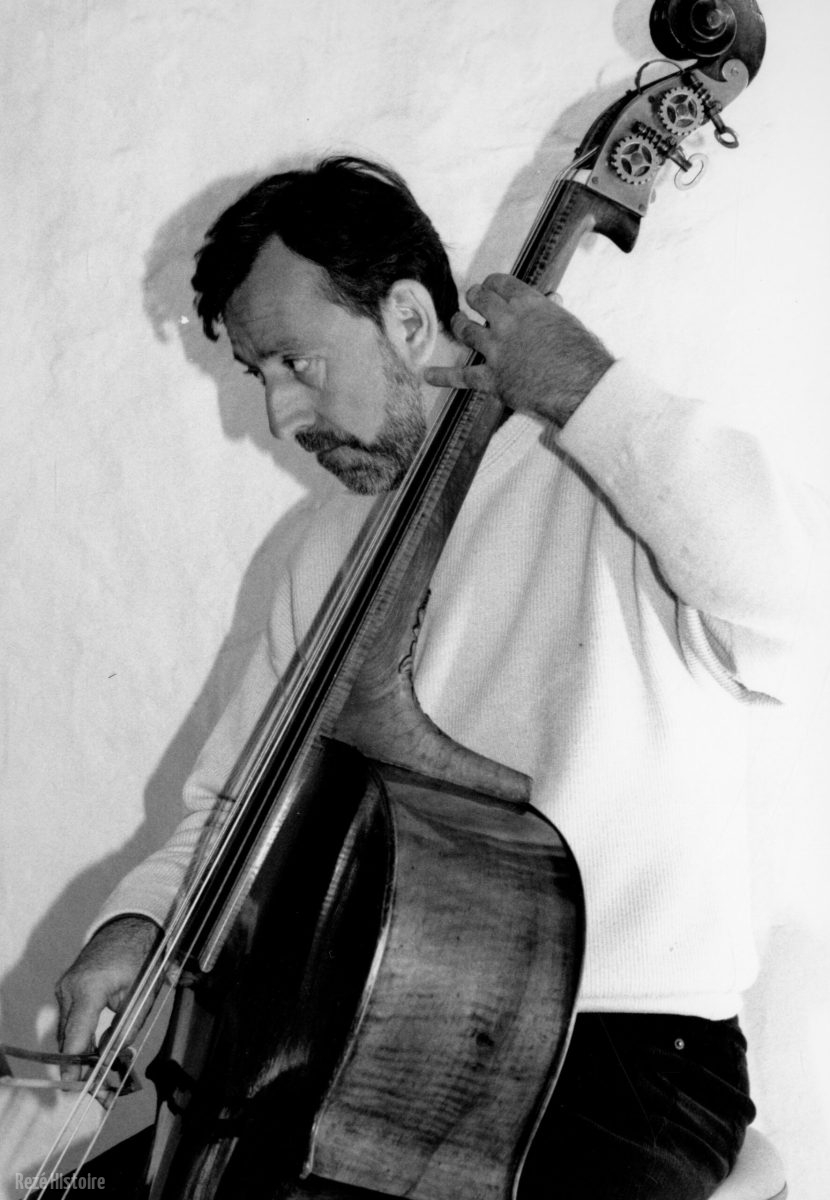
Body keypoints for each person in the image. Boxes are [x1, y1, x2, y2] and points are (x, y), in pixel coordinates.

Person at [53, 155, 820, 1198]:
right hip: (358, 1043)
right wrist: (139, 922)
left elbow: (791, 613)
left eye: (296, 363)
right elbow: (235, 811)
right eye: (260, 375)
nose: (278, 415)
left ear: (409, 319)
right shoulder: (324, 545)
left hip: (617, 1061)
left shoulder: (607, 474)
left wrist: (590, 393)